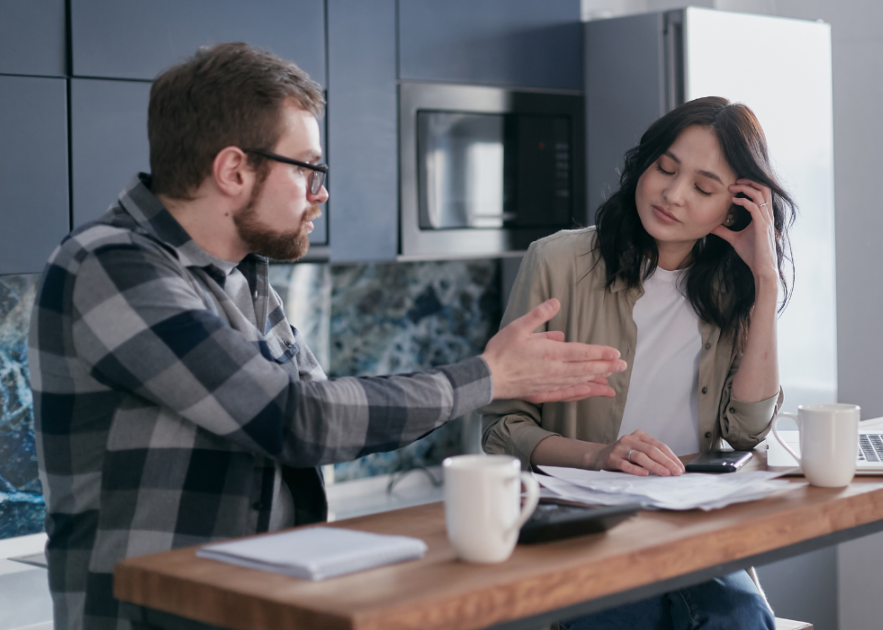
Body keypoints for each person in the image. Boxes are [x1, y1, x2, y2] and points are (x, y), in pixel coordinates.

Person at [29, 43, 628, 630]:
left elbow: (325, 419)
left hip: (255, 601)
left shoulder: (244, 277)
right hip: (150, 615)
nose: (322, 193)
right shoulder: (110, 266)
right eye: (310, 168)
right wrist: (489, 377)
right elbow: (294, 418)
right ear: (234, 170)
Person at [481, 96, 796, 629]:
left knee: (741, 618)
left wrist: (765, 283)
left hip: (694, 524)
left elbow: (745, 433)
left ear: (736, 208)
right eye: (665, 169)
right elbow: (502, 428)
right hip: (591, 524)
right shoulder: (558, 262)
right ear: (643, 166)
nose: (672, 195)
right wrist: (602, 455)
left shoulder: (733, 285)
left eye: (702, 187)